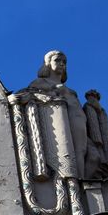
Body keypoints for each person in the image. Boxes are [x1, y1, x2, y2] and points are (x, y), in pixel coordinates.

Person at [27, 50, 88, 178]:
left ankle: (83, 180)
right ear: (48, 63)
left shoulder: (71, 91)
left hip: (80, 119)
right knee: (75, 151)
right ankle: (77, 180)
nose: (62, 64)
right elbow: (29, 94)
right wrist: (46, 96)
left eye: (64, 62)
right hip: (65, 119)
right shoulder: (41, 83)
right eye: (57, 60)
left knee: (89, 154)